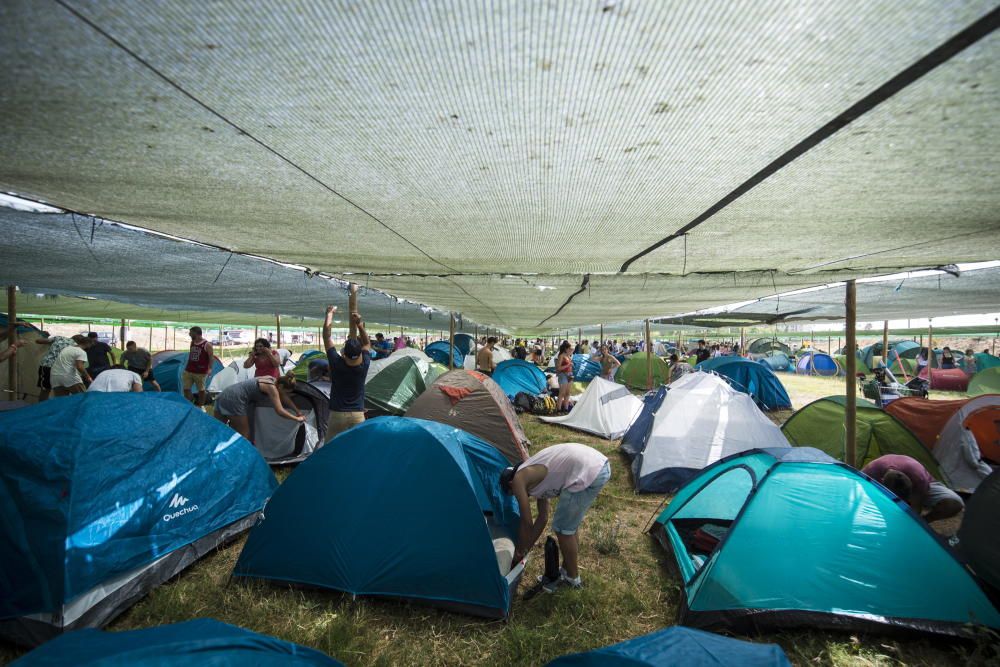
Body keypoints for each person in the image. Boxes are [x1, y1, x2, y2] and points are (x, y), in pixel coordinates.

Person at [500, 443, 611, 593]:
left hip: (589, 469)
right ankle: (566, 572)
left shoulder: (519, 478)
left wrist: (519, 551)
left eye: (513, 494)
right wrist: (526, 550)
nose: (518, 497)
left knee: (563, 529)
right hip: (596, 466)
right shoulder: (535, 480)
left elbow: (526, 522)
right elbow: (543, 517)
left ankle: (573, 580)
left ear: (510, 484)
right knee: (568, 527)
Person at [861, 454, 963, 522]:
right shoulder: (870, 472)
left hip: (925, 484)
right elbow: (859, 493)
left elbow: (916, 507)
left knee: (954, 504)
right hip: (879, 490)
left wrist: (912, 520)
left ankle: (923, 524)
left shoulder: (919, 477)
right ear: (881, 481)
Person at [323, 305, 372, 439]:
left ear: (344, 354)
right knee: (356, 448)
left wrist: (329, 315)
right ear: (360, 354)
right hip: (357, 415)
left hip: (338, 414)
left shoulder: (336, 363)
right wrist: (359, 324)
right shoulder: (364, 364)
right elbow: (367, 344)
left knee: (331, 449)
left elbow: (327, 337)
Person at [214, 374, 304, 442]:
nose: (286, 394)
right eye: (286, 391)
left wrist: (297, 411)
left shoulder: (270, 378)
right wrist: (296, 418)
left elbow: (284, 397)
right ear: (280, 387)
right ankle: (241, 457)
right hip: (235, 399)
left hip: (223, 394)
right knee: (244, 433)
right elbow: (279, 410)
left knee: (218, 430)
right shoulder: (271, 388)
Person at [33, 331, 76, 401]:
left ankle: (41, 408)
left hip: (47, 365)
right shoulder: (75, 345)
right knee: (62, 391)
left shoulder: (59, 338)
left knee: (45, 390)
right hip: (61, 369)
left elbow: (38, 341)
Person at [182, 326, 213, 406]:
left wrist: (210, 368)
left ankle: (201, 406)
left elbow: (211, 357)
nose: (189, 334)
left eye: (191, 333)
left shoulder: (207, 344)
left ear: (196, 333)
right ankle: (190, 404)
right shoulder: (192, 343)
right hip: (189, 370)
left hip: (200, 372)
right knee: (186, 389)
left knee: (201, 390)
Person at [555, 341, 574, 412]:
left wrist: (571, 365)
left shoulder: (568, 355)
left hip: (570, 374)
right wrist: (568, 365)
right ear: (565, 348)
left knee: (568, 393)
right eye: (569, 348)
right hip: (563, 375)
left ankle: (566, 408)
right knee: (562, 393)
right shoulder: (561, 356)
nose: (570, 349)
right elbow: (558, 368)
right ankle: (558, 409)